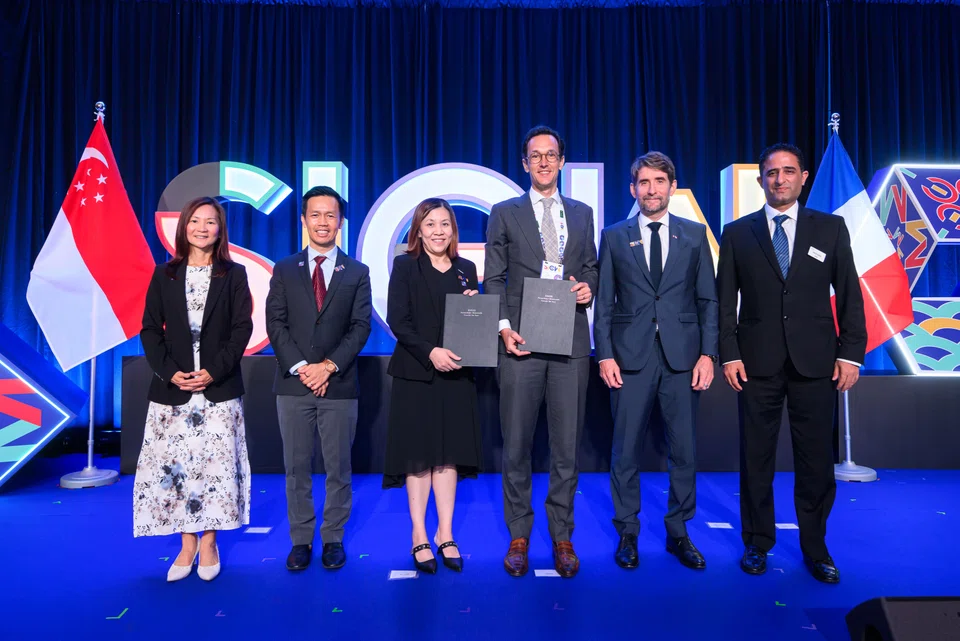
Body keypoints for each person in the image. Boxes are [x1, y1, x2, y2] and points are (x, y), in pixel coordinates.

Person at [716, 143, 866, 583]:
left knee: (817, 460)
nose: (779, 180)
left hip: (817, 364)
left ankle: (816, 547)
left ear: (803, 178)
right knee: (756, 459)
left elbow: (851, 296)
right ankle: (757, 543)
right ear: (761, 180)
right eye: (771, 173)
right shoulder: (737, 233)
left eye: (788, 172)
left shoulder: (831, 228)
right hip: (755, 363)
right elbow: (726, 305)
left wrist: (850, 353)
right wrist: (730, 353)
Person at [594, 152, 718, 571]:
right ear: (633, 189)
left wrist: (708, 353)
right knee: (624, 451)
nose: (651, 189)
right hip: (628, 358)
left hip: (683, 358)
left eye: (659, 181)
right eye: (643, 182)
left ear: (671, 186)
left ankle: (678, 532)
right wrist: (605, 354)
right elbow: (604, 305)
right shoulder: (613, 236)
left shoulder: (695, 235)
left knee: (683, 450)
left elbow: (708, 301)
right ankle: (627, 530)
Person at [484, 125, 598, 578]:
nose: (545, 162)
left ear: (562, 161)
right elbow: (494, 277)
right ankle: (519, 534)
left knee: (566, 447)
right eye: (536, 156)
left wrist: (590, 286)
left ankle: (562, 536)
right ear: (525, 164)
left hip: (569, 341)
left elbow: (590, 266)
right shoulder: (504, 212)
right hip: (521, 343)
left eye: (552, 155)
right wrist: (504, 328)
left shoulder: (583, 213)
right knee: (516, 445)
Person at [135, 196, 253, 583]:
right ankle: (186, 543)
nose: (203, 228)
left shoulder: (233, 275)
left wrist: (212, 372)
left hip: (217, 389)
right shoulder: (163, 274)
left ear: (221, 229)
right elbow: (150, 330)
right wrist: (172, 373)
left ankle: (209, 542)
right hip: (174, 391)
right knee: (180, 469)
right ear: (183, 227)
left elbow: (241, 331)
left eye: (211, 222)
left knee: (215, 467)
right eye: (196, 221)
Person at [265, 186, 372, 572]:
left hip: (339, 385)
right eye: (315, 214)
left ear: (340, 222)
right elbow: (275, 324)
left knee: (338, 467)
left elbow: (360, 328)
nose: (323, 222)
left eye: (330, 215)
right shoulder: (284, 268)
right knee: (296, 467)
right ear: (303, 220)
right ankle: (300, 540)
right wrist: (303, 368)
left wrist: (327, 367)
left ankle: (333, 538)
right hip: (293, 385)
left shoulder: (357, 272)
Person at [382, 198, 484, 574]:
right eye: (430, 224)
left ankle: (446, 532)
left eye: (445, 224)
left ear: (453, 230)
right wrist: (431, 352)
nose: (438, 231)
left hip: (456, 374)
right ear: (419, 230)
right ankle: (419, 534)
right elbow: (399, 321)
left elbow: (471, 320)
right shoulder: (405, 266)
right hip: (417, 373)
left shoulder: (466, 269)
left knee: (448, 455)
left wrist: (476, 307)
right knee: (419, 456)